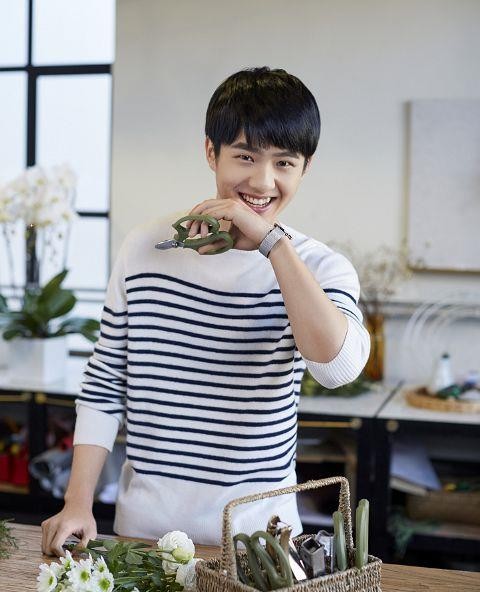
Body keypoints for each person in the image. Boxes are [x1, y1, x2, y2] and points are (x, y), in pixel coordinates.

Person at [41, 66, 370, 555]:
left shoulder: (319, 267)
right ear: (211, 152)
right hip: (145, 535)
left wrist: (271, 244)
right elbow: (106, 381)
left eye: (284, 163)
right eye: (245, 156)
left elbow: (338, 368)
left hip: (262, 546)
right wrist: (77, 501)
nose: (263, 181)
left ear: (305, 168)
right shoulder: (144, 248)